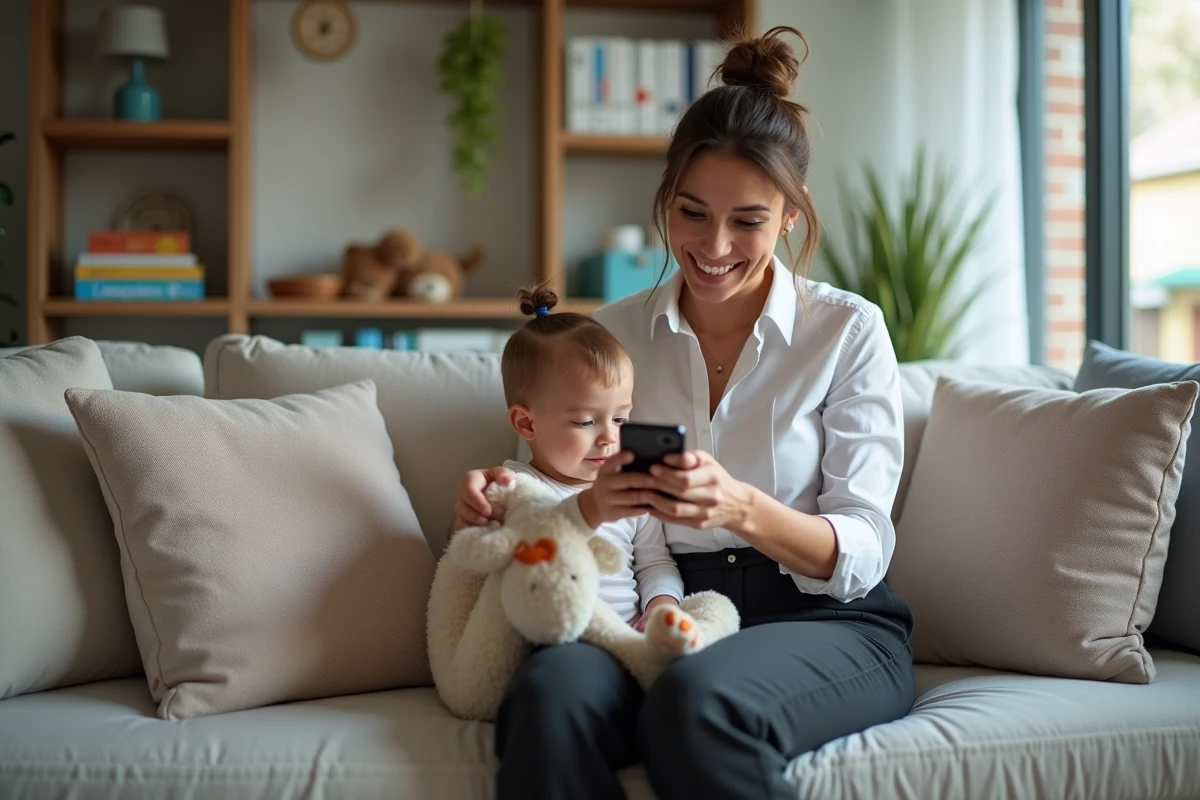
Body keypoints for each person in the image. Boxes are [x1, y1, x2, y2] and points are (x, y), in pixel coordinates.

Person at [455, 25, 915, 800]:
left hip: (823, 621)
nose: (713, 246)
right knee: (546, 697)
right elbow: (560, 481)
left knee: (696, 705)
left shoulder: (848, 330)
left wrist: (741, 507)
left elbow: (864, 547)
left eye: (748, 222)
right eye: (692, 213)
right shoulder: (614, 334)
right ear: (666, 198)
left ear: (790, 219)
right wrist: (494, 494)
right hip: (650, 611)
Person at [494, 283, 684, 633]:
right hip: (557, 636)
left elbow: (654, 563)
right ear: (526, 423)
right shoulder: (516, 488)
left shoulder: (634, 488)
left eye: (621, 418)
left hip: (627, 637)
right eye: (585, 421)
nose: (610, 436)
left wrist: (661, 604)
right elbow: (489, 555)